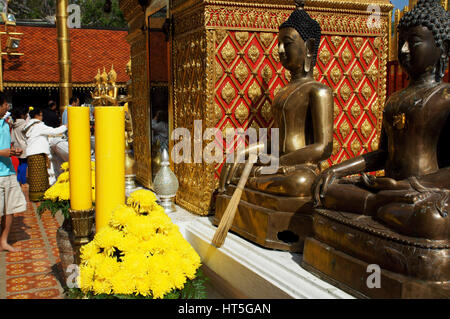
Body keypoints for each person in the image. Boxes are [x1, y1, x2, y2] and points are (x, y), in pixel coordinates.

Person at [0, 92, 27, 252]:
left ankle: (4, 240)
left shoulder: (5, 123)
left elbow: (6, 146)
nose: (7, 107)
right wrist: (4, 152)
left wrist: (12, 151)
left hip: (9, 171)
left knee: (9, 210)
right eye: (4, 104)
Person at [24, 107, 67, 201]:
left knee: (36, 176)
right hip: (37, 153)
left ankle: (36, 196)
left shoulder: (30, 126)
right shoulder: (38, 126)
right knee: (40, 176)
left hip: (32, 153)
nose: (42, 117)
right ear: (37, 115)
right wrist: (65, 126)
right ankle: (40, 196)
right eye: (41, 115)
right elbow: (54, 131)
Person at [10, 106, 29, 200]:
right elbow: (27, 136)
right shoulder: (24, 124)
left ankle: (19, 181)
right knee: (24, 164)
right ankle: (23, 182)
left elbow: (12, 138)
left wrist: (14, 146)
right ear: (22, 115)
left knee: (20, 164)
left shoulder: (14, 124)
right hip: (24, 147)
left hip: (17, 146)